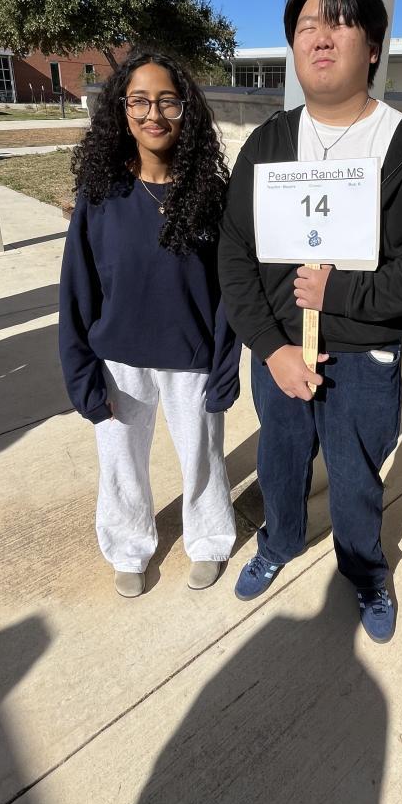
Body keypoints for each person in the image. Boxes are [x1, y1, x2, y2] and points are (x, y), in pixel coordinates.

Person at [218, 0, 402, 642]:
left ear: (373, 48)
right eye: (307, 26)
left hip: (365, 357)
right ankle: (278, 541)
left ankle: (365, 572)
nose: (321, 37)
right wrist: (270, 348)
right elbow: (234, 255)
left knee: (356, 478)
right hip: (280, 353)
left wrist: (346, 294)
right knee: (280, 462)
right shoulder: (270, 144)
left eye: (339, 23)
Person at [59, 49, 240, 598]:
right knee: (121, 464)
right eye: (139, 101)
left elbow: (228, 290)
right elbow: (77, 290)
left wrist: (226, 363)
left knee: (203, 458)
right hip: (119, 359)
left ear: (186, 110)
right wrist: (81, 373)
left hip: (191, 357)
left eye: (167, 101)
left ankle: (208, 541)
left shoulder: (211, 196)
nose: (153, 114)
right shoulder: (100, 196)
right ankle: (128, 547)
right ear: (122, 109)